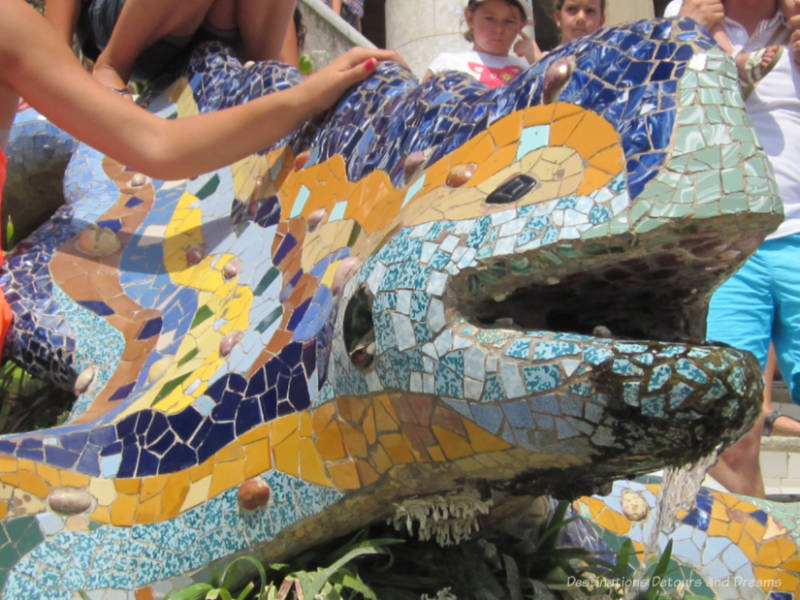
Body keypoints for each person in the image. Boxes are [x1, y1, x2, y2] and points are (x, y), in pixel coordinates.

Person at [0, 0, 401, 348]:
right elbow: (157, 144)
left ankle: (258, 80)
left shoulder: (10, 27)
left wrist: (303, 94)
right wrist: (64, 59)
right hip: (130, 30)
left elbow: (159, 144)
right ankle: (114, 64)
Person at [664, 0, 800, 498]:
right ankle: (763, 573)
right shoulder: (686, 13)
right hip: (724, 246)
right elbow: (655, 112)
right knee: (730, 437)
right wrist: (685, 39)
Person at [44, 0, 297, 94]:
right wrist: (53, 63)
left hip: (217, 28)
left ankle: (262, 89)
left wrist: (288, 81)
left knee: (275, 81)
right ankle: (111, 67)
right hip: (129, 22)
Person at [664, 0, 799, 96]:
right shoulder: (685, 11)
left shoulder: (793, 19)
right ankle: (734, 59)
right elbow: (659, 99)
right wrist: (685, 33)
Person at [424, 0, 542, 89]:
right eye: (490, 19)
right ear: (470, 18)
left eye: (509, 21)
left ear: (520, 26)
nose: (499, 29)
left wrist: (539, 61)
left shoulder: (530, 67)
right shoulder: (447, 63)